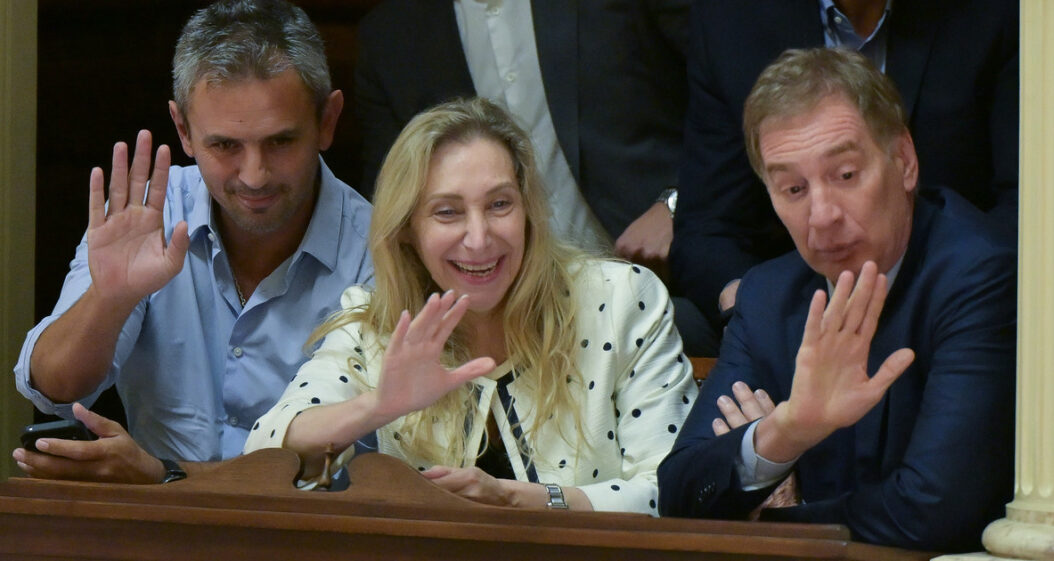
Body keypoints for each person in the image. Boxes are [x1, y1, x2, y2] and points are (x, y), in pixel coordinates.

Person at [245, 98, 697, 514]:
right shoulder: (378, 321)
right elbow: (264, 451)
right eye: (447, 212)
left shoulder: (620, 300)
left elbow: (676, 491)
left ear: (528, 211)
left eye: (499, 204)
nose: (479, 240)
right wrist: (377, 406)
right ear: (406, 229)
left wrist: (522, 500)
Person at [657, 48, 1016, 552]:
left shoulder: (979, 275)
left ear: (904, 160)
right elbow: (677, 496)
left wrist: (775, 514)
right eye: (793, 189)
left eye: (845, 175)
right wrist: (786, 431)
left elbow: (932, 511)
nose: (822, 215)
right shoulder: (768, 296)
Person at [12, 0, 373, 484]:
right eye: (225, 145)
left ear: (328, 121)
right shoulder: (152, 214)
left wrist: (163, 475)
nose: (254, 175)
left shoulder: (380, 250)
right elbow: (53, 389)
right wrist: (109, 299)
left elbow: (348, 476)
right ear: (182, 129)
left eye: (280, 142)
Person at [349, 0, 716, 356]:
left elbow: (729, 103)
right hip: (483, 323)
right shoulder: (390, 32)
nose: (477, 234)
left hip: (660, 280)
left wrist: (677, 202)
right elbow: (389, 202)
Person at [670, 0, 1019, 329]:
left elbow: (1027, 206)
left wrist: (957, 302)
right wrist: (758, 314)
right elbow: (707, 227)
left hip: (960, 295)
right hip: (798, 310)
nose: (824, 215)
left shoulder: (1000, 13)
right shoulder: (731, 16)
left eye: (847, 174)